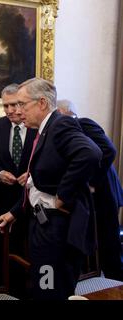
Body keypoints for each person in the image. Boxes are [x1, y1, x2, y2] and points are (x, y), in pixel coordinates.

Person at [0, 78, 102, 300]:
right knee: (44, 286)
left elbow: (90, 153)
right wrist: (15, 212)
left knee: (51, 290)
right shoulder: (42, 130)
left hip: (57, 229)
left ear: (42, 103)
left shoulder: (60, 125)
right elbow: (36, 183)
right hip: (44, 226)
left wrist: (63, 195)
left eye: (22, 104)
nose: (18, 110)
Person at [0, 84, 37, 298]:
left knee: (31, 250)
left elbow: (46, 161)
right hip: (3, 200)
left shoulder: (36, 125)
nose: (11, 110)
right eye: (6, 105)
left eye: (15, 104)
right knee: (5, 251)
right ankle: (9, 288)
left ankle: (32, 289)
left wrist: (32, 176)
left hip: (31, 202)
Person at [57, 99, 123, 281]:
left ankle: (116, 281)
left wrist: (93, 180)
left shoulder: (83, 123)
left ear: (64, 112)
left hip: (105, 189)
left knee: (110, 237)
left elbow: (109, 150)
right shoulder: (67, 131)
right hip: (90, 191)